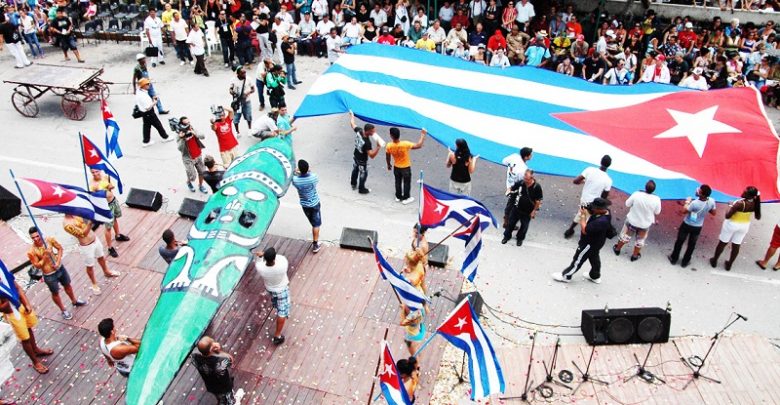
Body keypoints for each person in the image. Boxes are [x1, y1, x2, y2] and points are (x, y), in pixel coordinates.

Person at [27, 227, 87, 320]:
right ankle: (63, 310)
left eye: (37, 236)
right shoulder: (31, 251)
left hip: (59, 268)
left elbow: (60, 249)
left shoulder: (49, 240)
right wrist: (45, 256)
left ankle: (74, 301)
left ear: (40, 234)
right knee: (55, 292)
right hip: (49, 274)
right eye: (33, 238)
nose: (35, 239)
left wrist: (58, 261)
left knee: (67, 285)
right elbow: (37, 265)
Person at [553, 198, 614, 284]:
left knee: (578, 259)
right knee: (594, 258)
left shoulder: (601, 222)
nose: (592, 209)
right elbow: (593, 212)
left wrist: (583, 215)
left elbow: (585, 230)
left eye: (594, 208)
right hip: (598, 242)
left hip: (589, 244)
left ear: (599, 209)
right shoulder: (607, 212)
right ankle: (595, 276)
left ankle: (566, 276)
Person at [1, 281, 53, 374]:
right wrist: (7, 299)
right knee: (24, 338)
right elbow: (5, 307)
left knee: (28, 328)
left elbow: (17, 286)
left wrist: (26, 303)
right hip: (12, 313)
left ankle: (36, 349)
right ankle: (35, 362)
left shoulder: (3, 274)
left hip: (20, 305)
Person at [62, 214, 120, 295]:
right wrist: (89, 223)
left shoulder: (76, 213)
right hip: (86, 246)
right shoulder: (67, 224)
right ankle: (94, 284)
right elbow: (82, 234)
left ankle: (106, 271)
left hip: (95, 239)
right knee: (90, 266)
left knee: (101, 257)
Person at [710, 186, 761, 271]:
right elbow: (757, 216)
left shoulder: (739, 203)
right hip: (744, 226)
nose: (743, 192)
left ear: (749, 195)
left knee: (723, 242)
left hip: (731, 224)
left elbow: (728, 215)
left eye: (745, 192)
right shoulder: (756, 202)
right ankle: (729, 264)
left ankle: (715, 260)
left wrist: (730, 205)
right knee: (736, 245)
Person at [564, 155, 612, 239]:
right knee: (588, 218)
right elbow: (604, 196)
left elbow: (576, 181)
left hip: (584, 199)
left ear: (600, 161)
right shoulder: (608, 180)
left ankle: (570, 230)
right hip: (595, 203)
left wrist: (584, 182)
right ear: (609, 165)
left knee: (581, 213)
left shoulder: (589, 170)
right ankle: (584, 233)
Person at [613, 180, 662, 261]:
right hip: (645, 224)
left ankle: (617, 249)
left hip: (632, 221)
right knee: (640, 240)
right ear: (654, 190)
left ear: (645, 187)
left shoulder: (637, 194)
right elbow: (657, 212)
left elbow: (627, 204)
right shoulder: (657, 199)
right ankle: (635, 255)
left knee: (625, 236)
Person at [669, 184, 716, 268]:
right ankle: (685, 262)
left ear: (702, 194)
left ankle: (674, 258)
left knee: (679, 241)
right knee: (691, 245)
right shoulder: (711, 201)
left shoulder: (694, 203)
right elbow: (713, 213)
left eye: (699, 191)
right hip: (698, 227)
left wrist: (687, 202)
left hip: (687, 224)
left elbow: (683, 211)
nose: (697, 190)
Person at [89, 169, 130, 259]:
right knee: (108, 227)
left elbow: (111, 188)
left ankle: (118, 235)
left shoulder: (106, 177)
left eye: (97, 171)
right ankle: (110, 247)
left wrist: (110, 187)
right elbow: (96, 197)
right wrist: (100, 190)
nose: (95, 174)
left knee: (115, 219)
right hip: (106, 206)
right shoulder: (93, 185)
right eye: (93, 172)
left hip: (113, 201)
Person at [192, 336, 244, 405]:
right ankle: (233, 402)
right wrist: (218, 352)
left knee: (220, 397)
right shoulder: (222, 361)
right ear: (212, 348)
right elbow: (230, 360)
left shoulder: (194, 357)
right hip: (224, 387)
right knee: (228, 398)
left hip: (211, 385)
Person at [256, 247, 290, 345]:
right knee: (282, 312)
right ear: (274, 258)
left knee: (275, 300)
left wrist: (260, 257)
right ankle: (277, 335)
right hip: (282, 289)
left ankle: (276, 305)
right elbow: (279, 257)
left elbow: (258, 262)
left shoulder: (261, 268)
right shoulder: (282, 264)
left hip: (270, 289)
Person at [386, 127, 427, 204]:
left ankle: (398, 196)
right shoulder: (405, 144)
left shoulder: (389, 145)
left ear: (391, 136)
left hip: (396, 167)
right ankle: (406, 197)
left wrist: (388, 164)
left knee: (397, 182)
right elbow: (419, 145)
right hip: (405, 167)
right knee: (406, 183)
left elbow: (387, 156)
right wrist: (423, 135)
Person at [503, 169, 543, 246]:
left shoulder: (536, 187)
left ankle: (520, 238)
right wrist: (508, 191)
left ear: (532, 178)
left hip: (528, 211)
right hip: (517, 208)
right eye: (524, 177)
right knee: (511, 223)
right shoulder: (521, 183)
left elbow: (538, 201)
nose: (525, 180)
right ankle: (506, 236)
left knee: (524, 226)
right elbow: (512, 188)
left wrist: (534, 211)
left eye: (527, 179)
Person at [292, 160, 322, 253]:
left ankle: (314, 233)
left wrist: (296, 172)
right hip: (315, 203)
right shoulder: (313, 177)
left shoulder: (296, 180)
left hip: (305, 205)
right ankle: (315, 244)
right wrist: (308, 171)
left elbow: (294, 175)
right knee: (316, 224)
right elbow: (314, 178)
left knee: (312, 221)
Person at [348, 112, 381, 194]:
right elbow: (371, 155)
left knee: (355, 169)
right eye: (372, 131)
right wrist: (378, 147)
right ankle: (361, 189)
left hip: (356, 155)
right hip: (362, 160)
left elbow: (352, 124)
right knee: (363, 173)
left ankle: (353, 183)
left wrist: (352, 115)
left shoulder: (359, 131)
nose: (374, 133)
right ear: (368, 131)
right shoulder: (367, 142)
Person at [176, 116, 209, 193]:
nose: (188, 125)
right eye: (186, 124)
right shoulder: (179, 134)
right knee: (192, 176)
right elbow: (180, 148)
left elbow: (203, 136)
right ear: (181, 125)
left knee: (202, 172)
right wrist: (182, 138)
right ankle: (189, 182)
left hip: (198, 155)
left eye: (189, 123)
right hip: (188, 158)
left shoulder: (192, 129)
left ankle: (201, 186)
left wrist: (195, 133)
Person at [135, 78, 171, 147]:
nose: (149, 85)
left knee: (146, 126)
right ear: (143, 86)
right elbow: (148, 107)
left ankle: (146, 141)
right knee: (158, 125)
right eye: (147, 84)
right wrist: (154, 102)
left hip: (144, 113)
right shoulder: (142, 96)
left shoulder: (139, 91)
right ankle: (165, 137)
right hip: (148, 112)